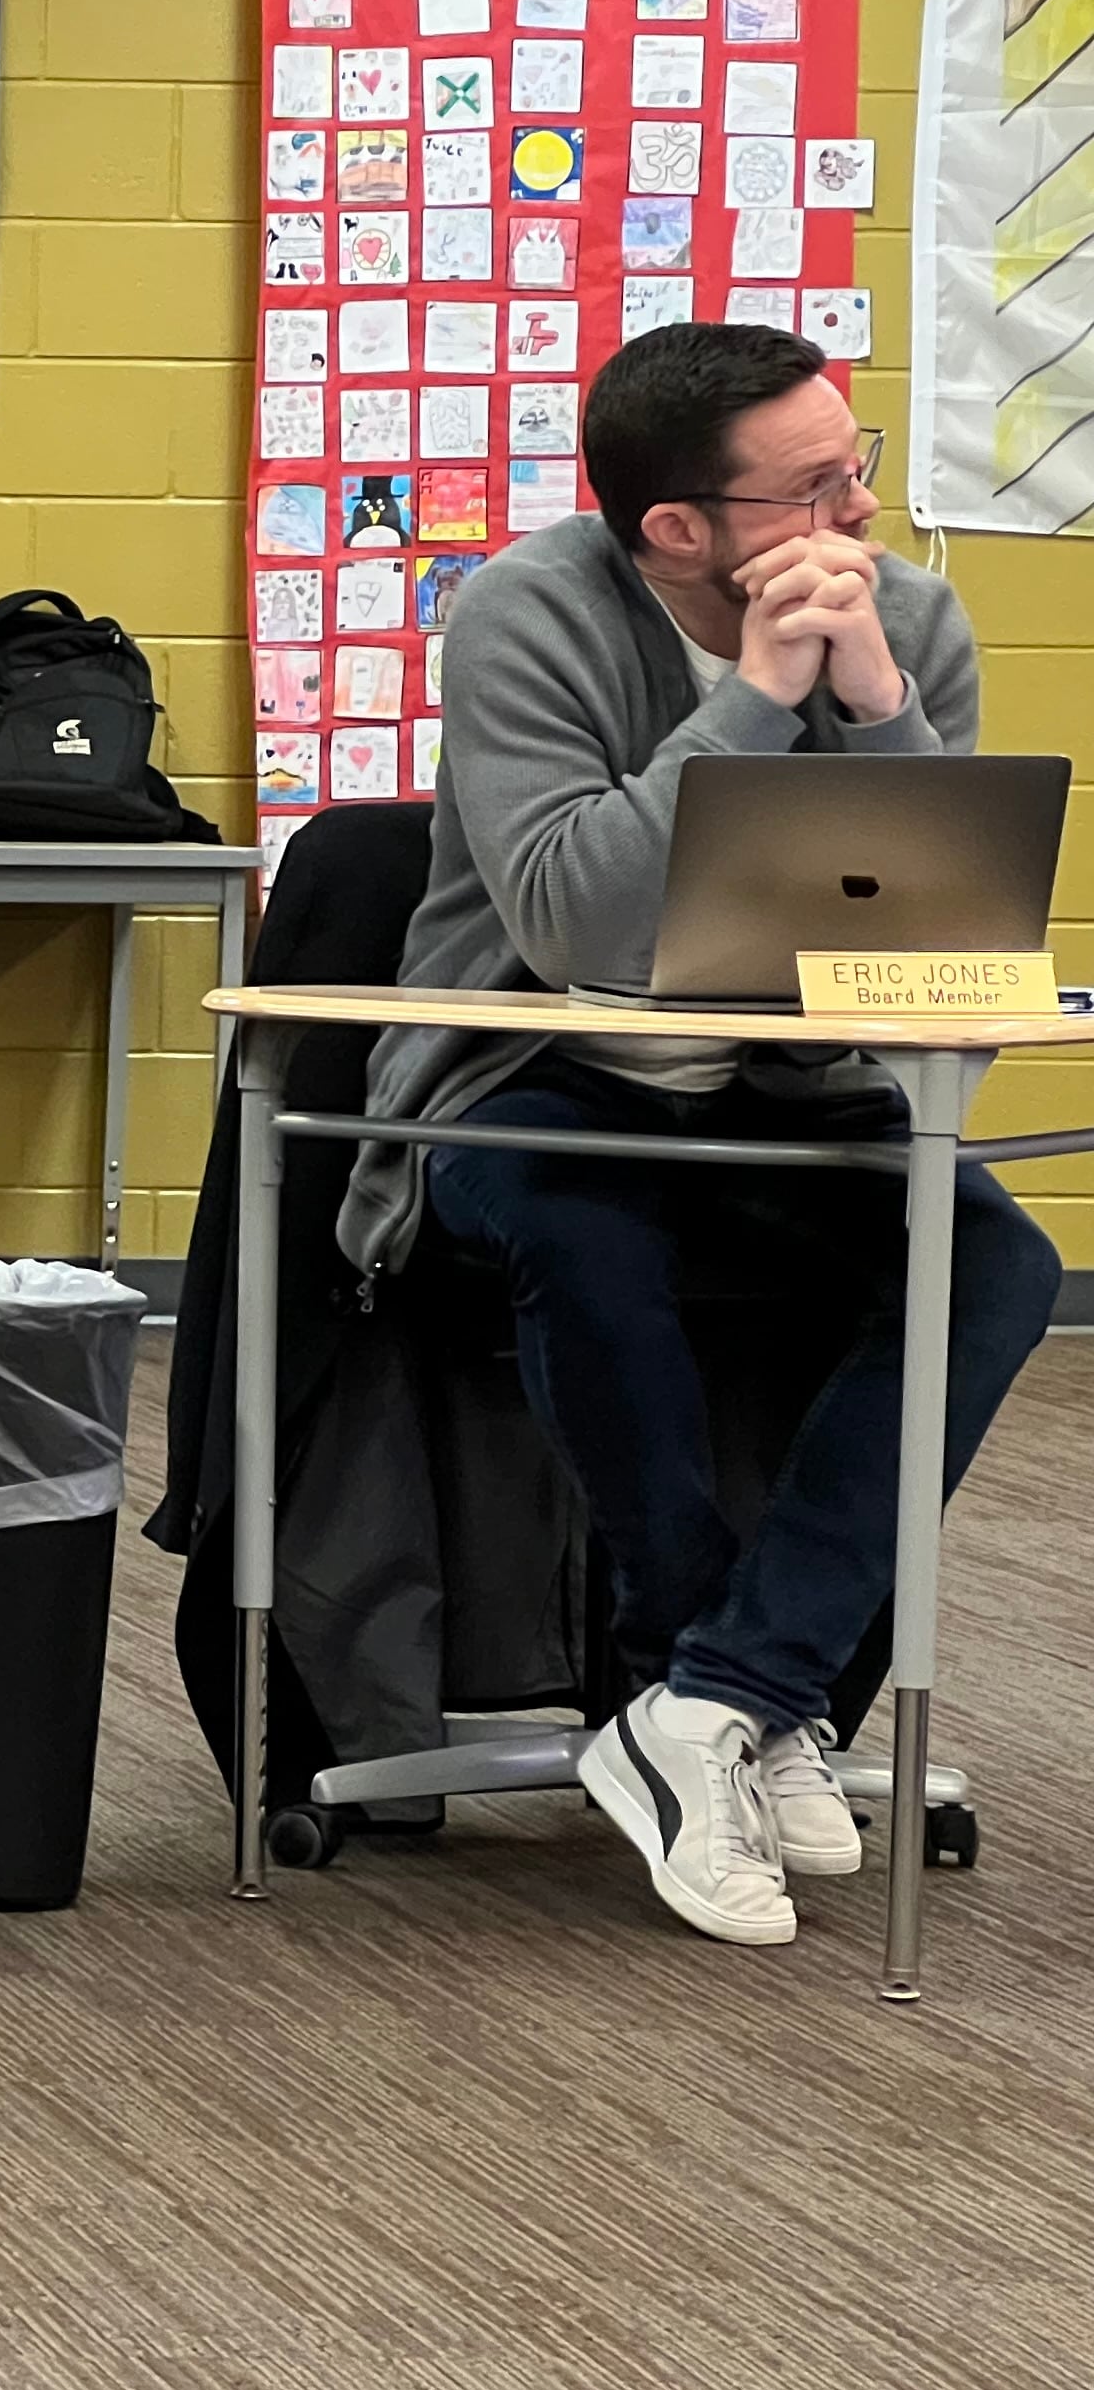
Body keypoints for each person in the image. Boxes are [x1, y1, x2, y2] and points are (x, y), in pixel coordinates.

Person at [340, 321, 1060, 1949]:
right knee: (578, 1232)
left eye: (858, 466)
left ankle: (715, 1698)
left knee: (997, 1261)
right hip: (524, 1085)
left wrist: (876, 704)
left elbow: (935, 945)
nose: (860, 513)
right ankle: (711, 1684)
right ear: (682, 530)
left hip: (794, 1098)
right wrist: (751, 700)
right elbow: (581, 918)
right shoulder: (533, 610)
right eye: (817, 490)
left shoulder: (911, 619)